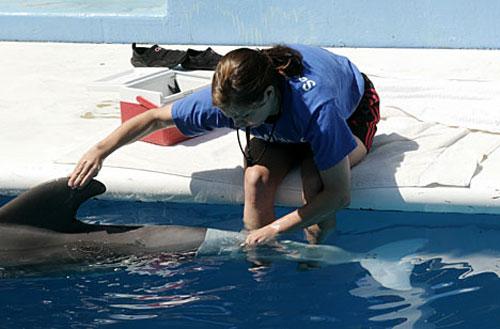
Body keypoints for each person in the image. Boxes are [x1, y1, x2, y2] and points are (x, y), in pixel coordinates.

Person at [68, 44, 380, 246]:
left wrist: (275, 229)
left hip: (351, 111)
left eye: (243, 116)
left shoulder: (317, 109)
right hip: (278, 124)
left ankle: (318, 258)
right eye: (231, 116)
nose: (237, 122)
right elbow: (154, 119)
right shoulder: (230, 102)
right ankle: (262, 268)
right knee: (255, 180)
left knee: (315, 182)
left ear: (269, 95)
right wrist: (100, 150)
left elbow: (339, 195)